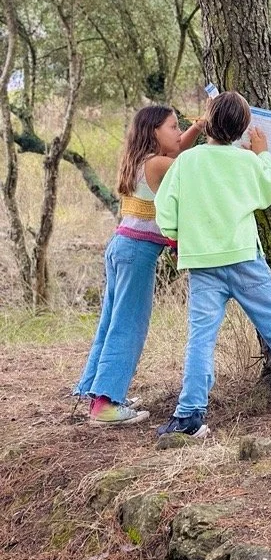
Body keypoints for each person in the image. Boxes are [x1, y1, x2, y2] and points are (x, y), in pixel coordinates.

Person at [154, 91, 271, 439]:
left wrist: (183, 235)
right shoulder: (246, 162)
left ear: (208, 123)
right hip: (244, 257)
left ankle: (188, 415)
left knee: (200, 339)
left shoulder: (187, 162)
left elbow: (165, 214)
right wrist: (261, 155)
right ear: (245, 128)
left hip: (202, 263)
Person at [74, 105, 203, 426]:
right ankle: (105, 404)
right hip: (137, 253)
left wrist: (197, 127)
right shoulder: (160, 164)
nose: (178, 132)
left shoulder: (139, 162)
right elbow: (186, 162)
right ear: (154, 132)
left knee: (111, 321)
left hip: (120, 247)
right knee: (129, 325)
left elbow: (178, 148)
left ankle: (96, 391)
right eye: (173, 127)